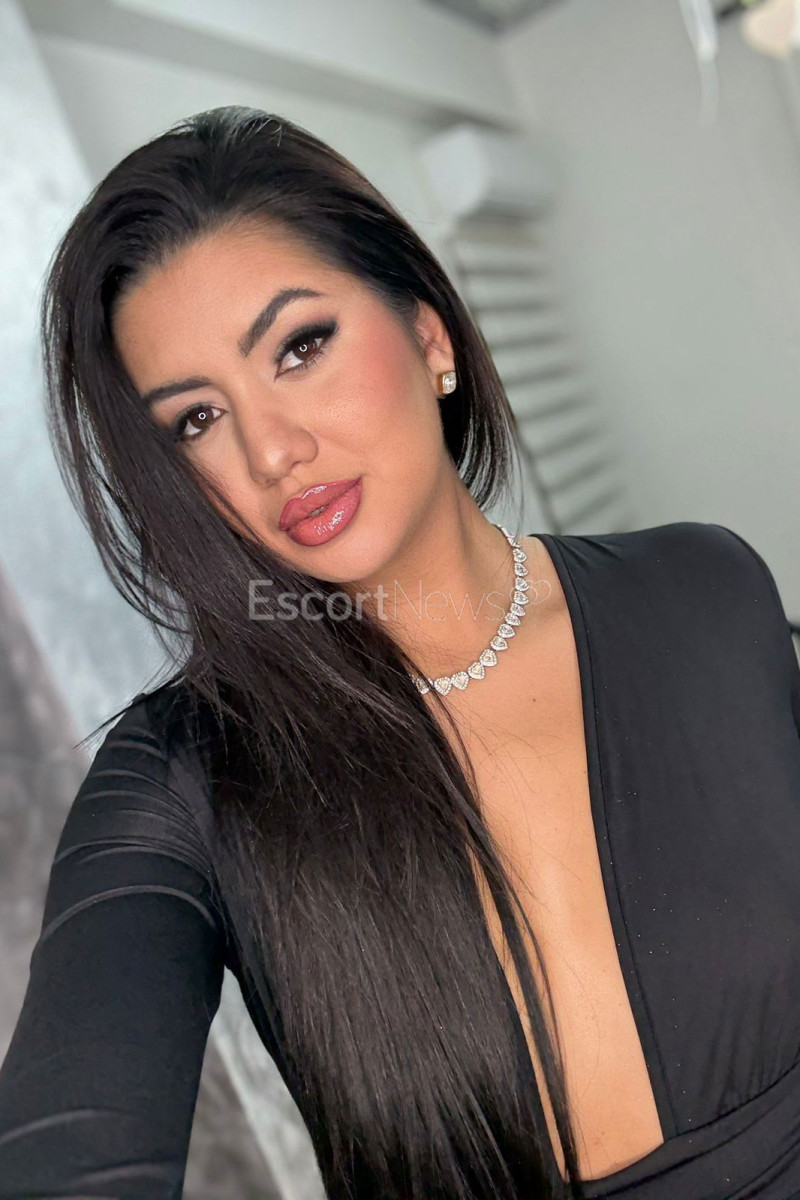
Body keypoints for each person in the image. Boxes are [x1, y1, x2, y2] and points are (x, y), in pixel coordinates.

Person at [0, 106, 798, 1200]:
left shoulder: (704, 592)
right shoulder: (185, 775)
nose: (271, 450)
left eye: (299, 347)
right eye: (195, 420)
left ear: (429, 337)